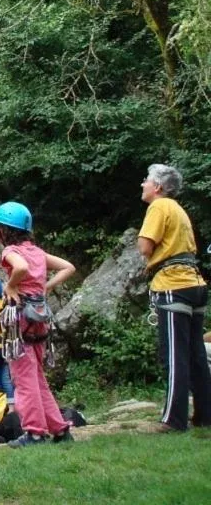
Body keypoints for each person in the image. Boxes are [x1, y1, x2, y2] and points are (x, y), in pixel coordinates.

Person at [0, 201, 75, 447]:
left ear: (5, 230)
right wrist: (45, 288)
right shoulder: (38, 252)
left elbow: (21, 268)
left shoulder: (11, 252)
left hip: (22, 320)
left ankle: (35, 433)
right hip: (39, 317)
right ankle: (60, 429)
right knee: (37, 378)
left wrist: (11, 285)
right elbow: (68, 267)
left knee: (24, 381)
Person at [137, 163, 211, 432]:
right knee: (195, 355)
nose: (142, 184)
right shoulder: (179, 209)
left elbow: (145, 247)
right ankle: (205, 415)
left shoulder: (158, 207)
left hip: (172, 284)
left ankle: (174, 420)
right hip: (195, 283)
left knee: (174, 355)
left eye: (146, 180)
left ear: (157, 187)